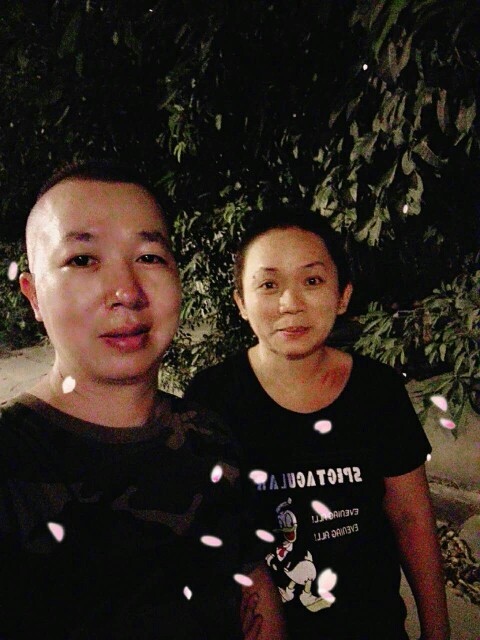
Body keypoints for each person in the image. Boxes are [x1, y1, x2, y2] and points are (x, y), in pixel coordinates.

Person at [0, 161, 287, 639]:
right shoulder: (11, 463)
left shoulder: (208, 434)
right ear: (33, 296)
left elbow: (250, 578)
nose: (127, 293)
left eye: (150, 257)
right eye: (82, 259)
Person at [185, 210, 451, 640]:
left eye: (312, 280)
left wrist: (437, 631)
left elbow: (410, 518)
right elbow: (206, 534)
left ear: (343, 296)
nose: (290, 303)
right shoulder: (212, 397)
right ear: (241, 303)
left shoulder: (377, 390)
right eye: (268, 285)